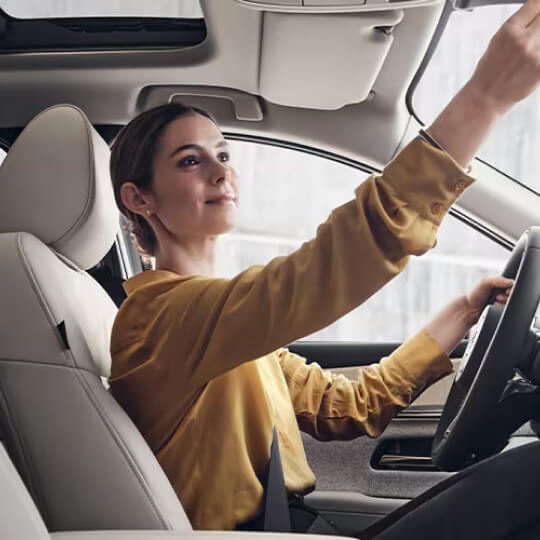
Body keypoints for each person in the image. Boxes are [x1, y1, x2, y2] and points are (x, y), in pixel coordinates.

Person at [108, 0, 540, 533]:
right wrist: (483, 99)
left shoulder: (227, 326)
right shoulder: (159, 317)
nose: (221, 173)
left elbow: (349, 406)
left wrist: (462, 314)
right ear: (139, 199)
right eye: (190, 160)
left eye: (223, 155)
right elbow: (324, 269)